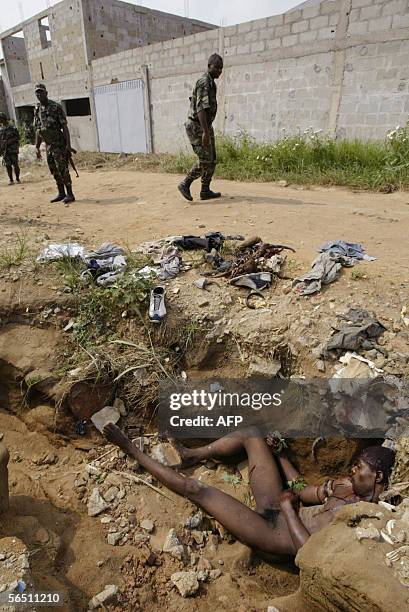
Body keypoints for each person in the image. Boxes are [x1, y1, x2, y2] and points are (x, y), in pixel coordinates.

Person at [103, 424, 395, 556]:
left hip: (275, 536)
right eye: (355, 465)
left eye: (360, 468)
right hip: (281, 508)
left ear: (378, 476)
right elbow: (303, 489)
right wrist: (280, 456)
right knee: (253, 432)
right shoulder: (346, 486)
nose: (353, 471)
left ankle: (128, 447)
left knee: (197, 490)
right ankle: (196, 454)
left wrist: (287, 512)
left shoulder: (367, 520)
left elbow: (308, 552)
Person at [178, 53, 223, 203]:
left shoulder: (211, 82)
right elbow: (201, 109)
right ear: (209, 66)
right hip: (197, 126)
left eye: (221, 68)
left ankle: (205, 190)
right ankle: (186, 183)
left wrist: (207, 129)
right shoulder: (204, 82)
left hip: (205, 126)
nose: (219, 71)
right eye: (217, 67)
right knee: (205, 159)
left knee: (212, 159)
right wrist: (205, 132)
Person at [34, 83, 75, 204]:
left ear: (46, 93)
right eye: (37, 92)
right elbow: (38, 129)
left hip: (59, 144)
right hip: (48, 145)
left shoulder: (55, 107)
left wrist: (68, 145)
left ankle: (70, 194)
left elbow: (64, 127)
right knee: (54, 169)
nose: (39, 94)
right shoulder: (37, 110)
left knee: (63, 169)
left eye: (41, 92)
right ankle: (61, 193)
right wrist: (37, 146)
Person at [0, 113, 21, 185]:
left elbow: (18, 137)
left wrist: (10, 141)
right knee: (8, 165)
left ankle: (17, 179)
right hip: (5, 151)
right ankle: (11, 180)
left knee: (15, 164)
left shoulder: (12, 127)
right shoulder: (0, 129)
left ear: (4, 119)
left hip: (12, 149)